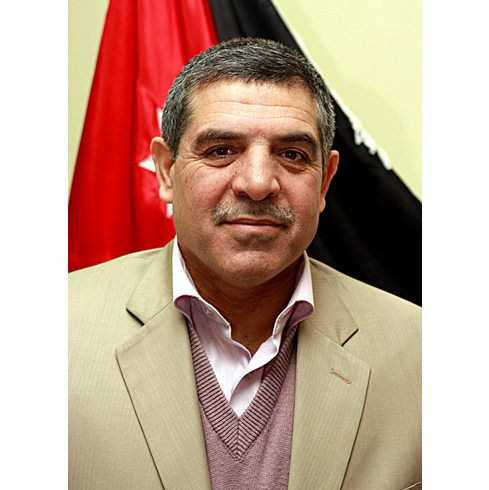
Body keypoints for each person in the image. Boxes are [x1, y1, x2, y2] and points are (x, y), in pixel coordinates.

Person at [69, 38, 421, 490]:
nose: (257, 184)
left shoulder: (426, 356)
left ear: (324, 181)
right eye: (221, 150)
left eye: (291, 155)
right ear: (166, 171)